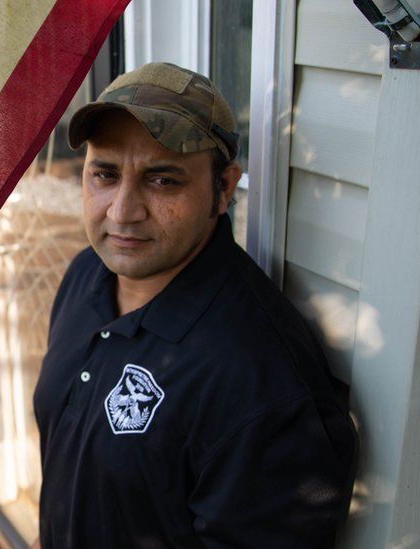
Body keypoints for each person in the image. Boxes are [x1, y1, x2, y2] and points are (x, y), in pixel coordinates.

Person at [32, 62, 357, 548]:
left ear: (224, 187)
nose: (122, 211)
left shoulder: (261, 382)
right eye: (104, 174)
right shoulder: (88, 275)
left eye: (163, 180)